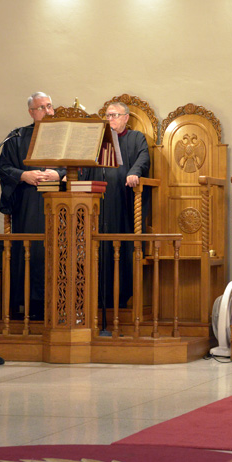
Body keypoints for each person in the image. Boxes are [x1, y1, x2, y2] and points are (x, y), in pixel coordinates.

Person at [0, 92, 65, 320]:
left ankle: (59, 304)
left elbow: (82, 166)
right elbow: (3, 167)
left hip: (60, 204)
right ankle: (28, 306)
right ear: (31, 112)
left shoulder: (65, 135)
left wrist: (58, 173)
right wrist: (24, 175)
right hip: (28, 203)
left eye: (49, 106)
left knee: (56, 252)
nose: (48, 111)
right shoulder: (17, 137)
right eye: (41, 107)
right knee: (30, 253)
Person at [81, 101, 150, 310]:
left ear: (126, 118)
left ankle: (119, 298)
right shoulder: (98, 141)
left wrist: (134, 172)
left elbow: (143, 158)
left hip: (122, 204)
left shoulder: (135, 138)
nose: (110, 120)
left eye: (114, 115)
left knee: (120, 249)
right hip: (97, 205)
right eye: (108, 116)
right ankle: (96, 299)